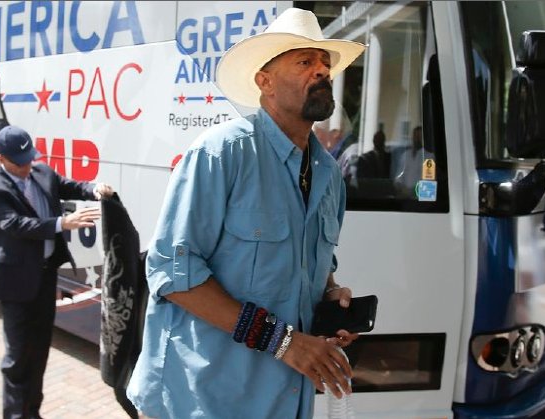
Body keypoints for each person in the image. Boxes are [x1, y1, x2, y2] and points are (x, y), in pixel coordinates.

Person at [127, 8, 366, 419]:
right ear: (264, 81)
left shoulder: (329, 174)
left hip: (283, 400)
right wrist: (285, 342)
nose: (322, 71)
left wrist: (330, 297)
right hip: (203, 400)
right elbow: (172, 274)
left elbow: (312, 266)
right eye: (305, 61)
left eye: (325, 64)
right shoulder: (221, 153)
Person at [0, 125, 114, 419]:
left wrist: (95, 190)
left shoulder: (42, 172)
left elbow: (71, 186)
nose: (27, 166)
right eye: (19, 162)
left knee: (39, 350)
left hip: (45, 276)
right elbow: (16, 225)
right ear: (1, 159)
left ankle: (32, 412)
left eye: (29, 158)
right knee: (18, 358)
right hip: (15, 283)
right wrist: (62, 224)